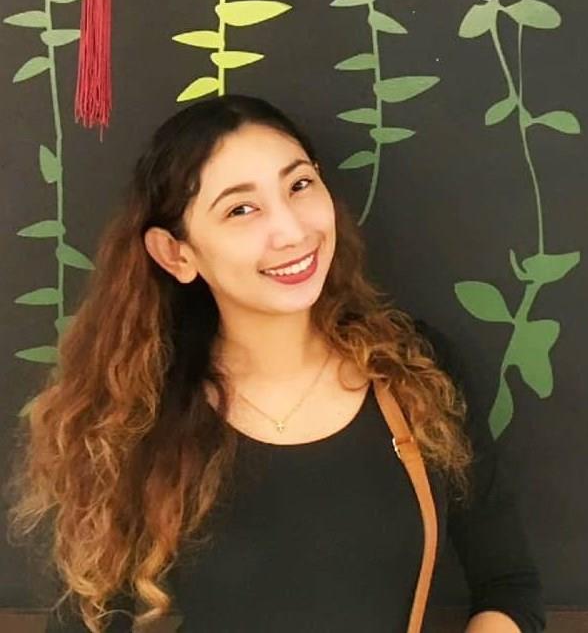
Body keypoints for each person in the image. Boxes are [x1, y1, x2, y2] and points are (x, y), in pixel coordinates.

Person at [7, 94, 545, 632]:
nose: (291, 230)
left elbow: (508, 587)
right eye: (241, 209)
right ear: (177, 253)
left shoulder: (418, 371)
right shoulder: (133, 420)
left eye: (299, 185)